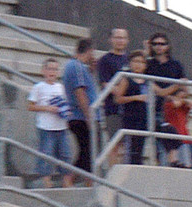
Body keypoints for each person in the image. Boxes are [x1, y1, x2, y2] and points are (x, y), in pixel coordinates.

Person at [25, 60, 73, 188]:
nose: (52, 72)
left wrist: (66, 111)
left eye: (55, 69)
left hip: (61, 126)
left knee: (65, 154)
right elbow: (30, 106)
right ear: (43, 71)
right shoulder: (38, 87)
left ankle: (66, 180)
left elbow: (66, 103)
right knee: (46, 153)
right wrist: (47, 108)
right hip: (46, 127)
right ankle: (47, 180)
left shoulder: (61, 87)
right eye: (50, 69)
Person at [142, 33, 187, 166]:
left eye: (162, 44)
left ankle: (171, 162)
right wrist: (175, 88)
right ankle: (170, 162)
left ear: (167, 46)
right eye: (155, 44)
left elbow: (185, 89)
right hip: (154, 107)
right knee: (158, 138)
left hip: (170, 109)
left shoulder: (176, 64)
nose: (158, 47)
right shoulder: (148, 64)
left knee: (169, 134)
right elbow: (159, 91)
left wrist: (176, 96)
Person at [62, 38, 96, 181]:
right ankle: (69, 178)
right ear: (89, 51)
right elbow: (80, 92)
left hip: (79, 116)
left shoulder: (78, 67)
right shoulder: (77, 66)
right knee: (87, 152)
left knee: (88, 152)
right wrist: (89, 116)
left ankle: (86, 180)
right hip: (80, 116)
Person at [94, 28, 130, 159]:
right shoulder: (105, 60)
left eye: (123, 38)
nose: (120, 41)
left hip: (130, 109)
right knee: (114, 143)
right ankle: (112, 175)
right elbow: (105, 83)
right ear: (111, 39)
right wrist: (122, 92)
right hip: (113, 109)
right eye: (117, 37)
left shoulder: (130, 60)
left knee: (129, 145)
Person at [111, 51, 151, 165]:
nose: (138, 65)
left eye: (142, 62)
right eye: (135, 61)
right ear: (130, 63)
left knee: (139, 150)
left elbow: (161, 92)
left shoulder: (147, 80)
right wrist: (135, 98)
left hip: (143, 119)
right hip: (130, 118)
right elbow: (117, 99)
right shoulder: (126, 78)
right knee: (130, 151)